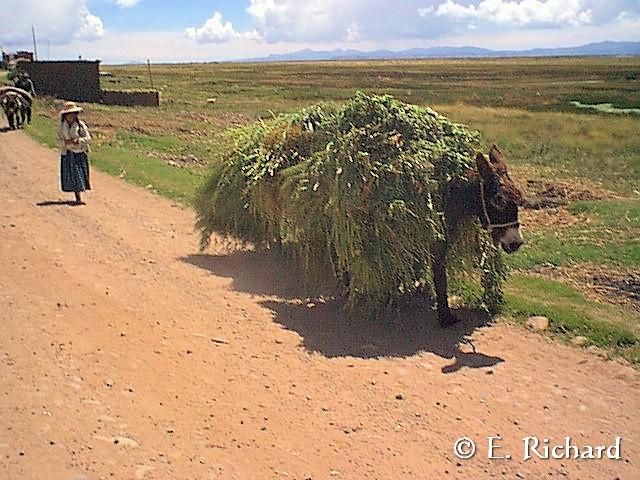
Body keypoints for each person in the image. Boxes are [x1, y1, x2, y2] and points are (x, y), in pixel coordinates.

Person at [56, 102, 91, 205]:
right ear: (65, 116)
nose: (72, 116)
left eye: (74, 114)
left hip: (79, 152)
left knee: (78, 173)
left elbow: (88, 138)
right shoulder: (61, 127)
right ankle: (77, 194)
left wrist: (78, 141)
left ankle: (78, 195)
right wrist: (65, 143)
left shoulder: (81, 126)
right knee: (71, 174)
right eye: (70, 114)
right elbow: (57, 140)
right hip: (67, 152)